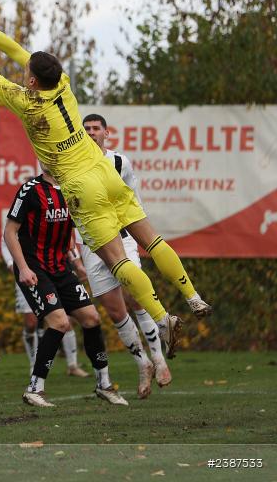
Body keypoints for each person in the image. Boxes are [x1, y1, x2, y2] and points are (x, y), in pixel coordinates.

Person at [0, 0, 213, 358]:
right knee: (151, 240)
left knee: (117, 259)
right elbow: (21, 53)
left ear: (32, 80)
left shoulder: (27, 103)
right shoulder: (63, 83)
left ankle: (162, 317)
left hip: (80, 186)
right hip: (105, 171)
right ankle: (192, 295)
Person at [4, 171, 127, 407]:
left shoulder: (73, 187)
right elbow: (9, 232)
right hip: (35, 269)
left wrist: (77, 262)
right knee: (60, 322)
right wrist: (23, 268)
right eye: (45, 153)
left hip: (61, 268)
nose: (50, 156)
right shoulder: (30, 189)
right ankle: (35, 389)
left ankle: (104, 384)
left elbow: (72, 229)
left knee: (91, 318)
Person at [78, 114, 172, 397]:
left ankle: (159, 358)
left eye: (96, 128)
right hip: (91, 245)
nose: (91, 132)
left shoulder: (120, 162)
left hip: (122, 239)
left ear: (106, 133)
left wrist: (142, 235)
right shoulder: (73, 163)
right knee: (116, 311)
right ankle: (143, 364)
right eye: (86, 129)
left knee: (136, 297)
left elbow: (134, 202)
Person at [1, 218, 87, 377]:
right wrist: (11, 264)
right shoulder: (19, 212)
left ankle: (73, 365)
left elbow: (64, 237)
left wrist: (77, 262)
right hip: (27, 272)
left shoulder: (51, 212)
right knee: (31, 323)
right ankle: (34, 365)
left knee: (65, 320)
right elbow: (6, 238)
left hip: (52, 271)